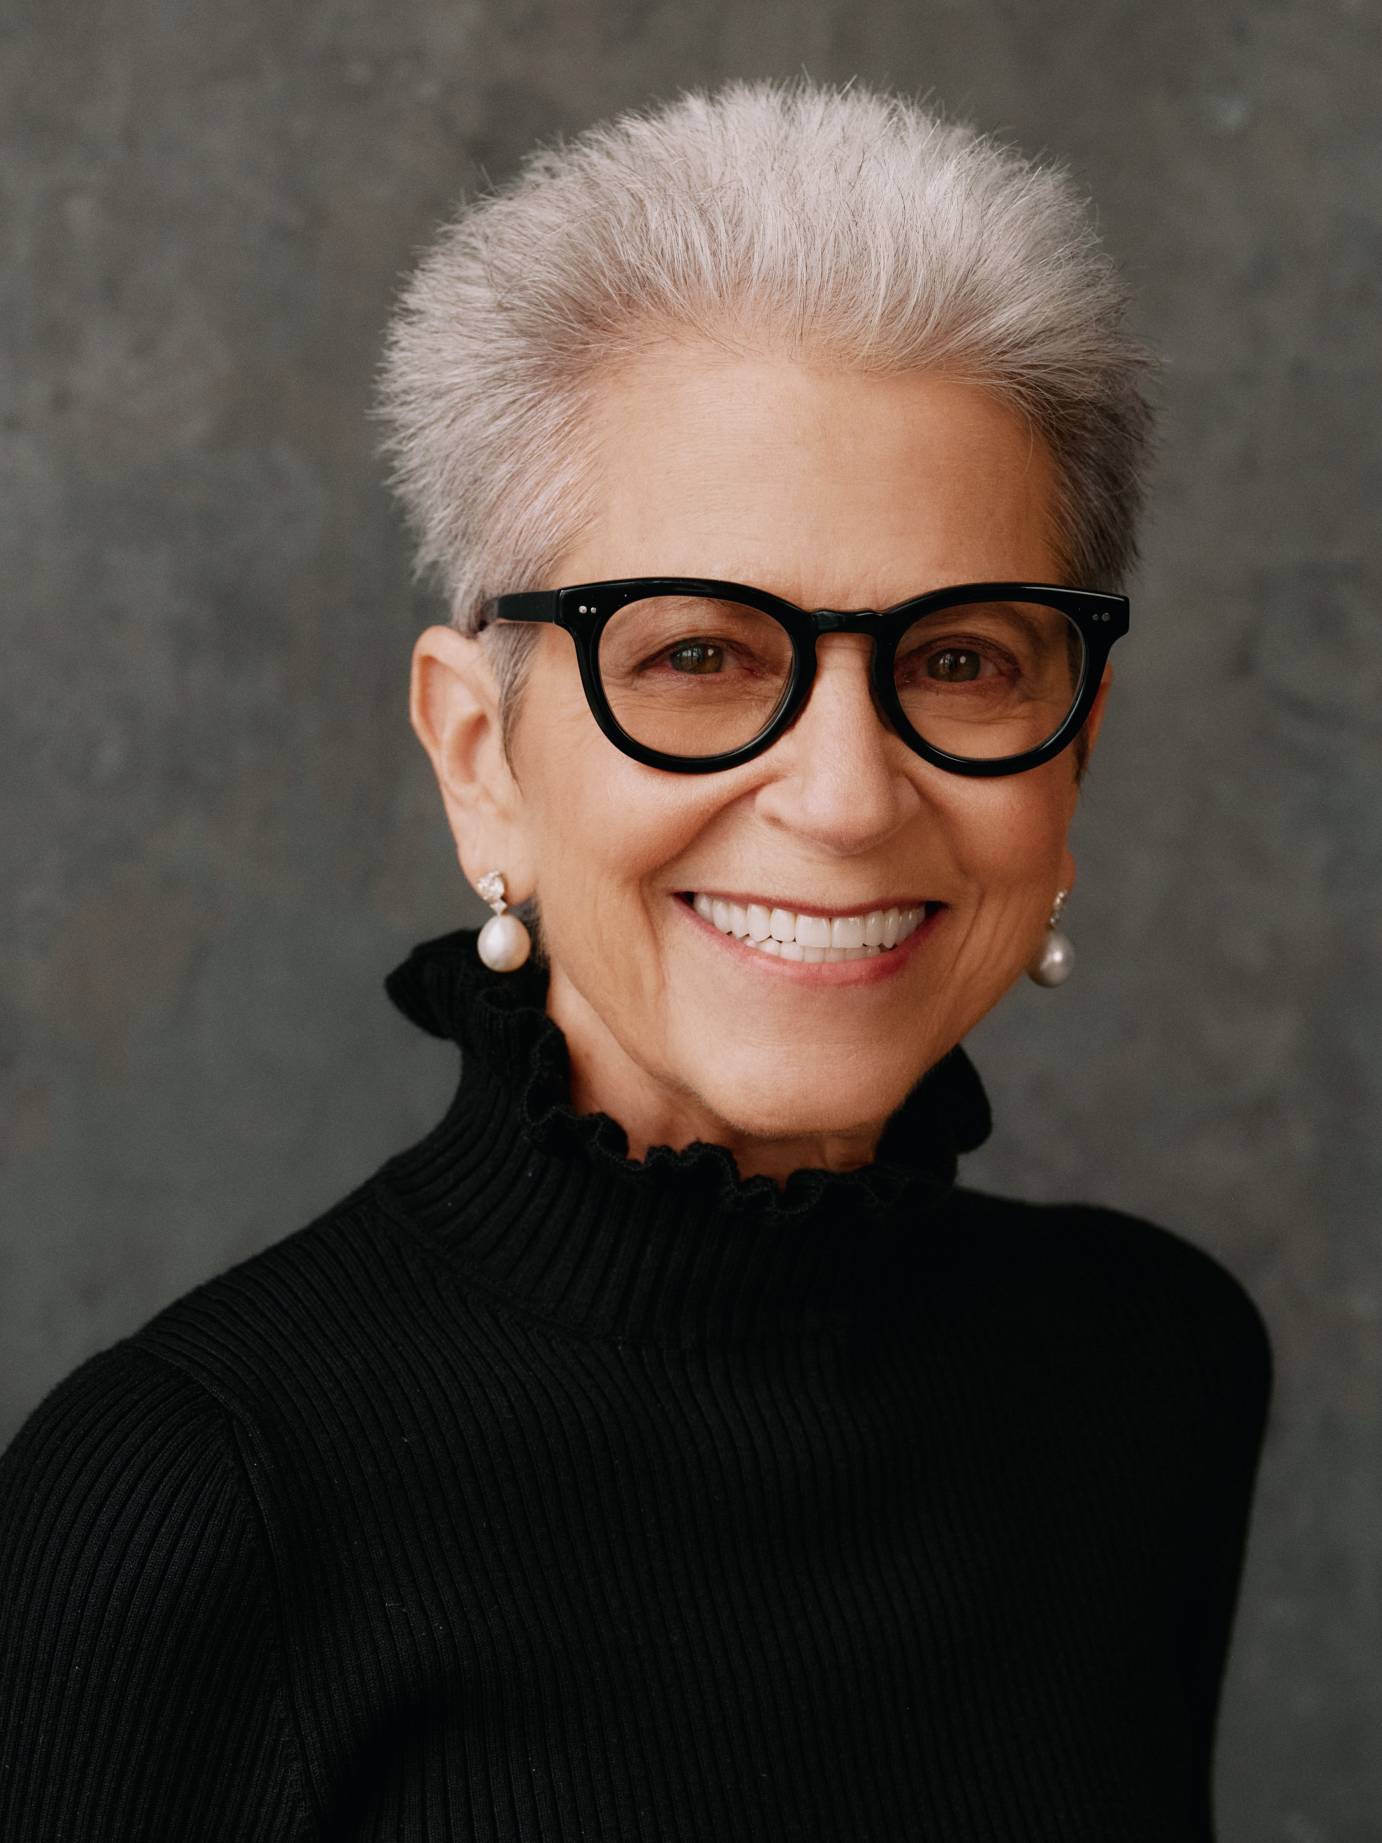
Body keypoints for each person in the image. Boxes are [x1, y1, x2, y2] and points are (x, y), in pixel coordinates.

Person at [0, 77, 1272, 1841]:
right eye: (694, 656)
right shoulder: (190, 1502)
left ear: (1073, 753)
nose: (844, 799)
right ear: (478, 756)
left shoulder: (1149, 1374)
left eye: (962, 661)